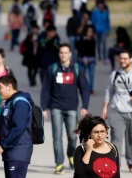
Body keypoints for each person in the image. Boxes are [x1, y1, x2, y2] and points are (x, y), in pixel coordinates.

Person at [40, 43, 90, 175]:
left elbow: (84, 89)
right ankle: (59, 163)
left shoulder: (77, 69)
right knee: (57, 137)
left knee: (73, 137)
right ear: (59, 54)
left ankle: (71, 154)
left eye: (66, 52)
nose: (63, 55)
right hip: (56, 107)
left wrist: (85, 106)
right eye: (61, 52)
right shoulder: (52, 69)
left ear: (70, 54)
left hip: (72, 108)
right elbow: (45, 89)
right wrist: (43, 108)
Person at [76, 26, 96, 94]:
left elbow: (93, 51)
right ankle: (83, 89)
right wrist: (84, 59)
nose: (90, 33)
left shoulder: (93, 40)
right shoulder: (82, 40)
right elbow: (80, 50)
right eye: (89, 32)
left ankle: (90, 89)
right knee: (82, 75)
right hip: (82, 59)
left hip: (91, 59)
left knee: (91, 75)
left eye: (91, 32)